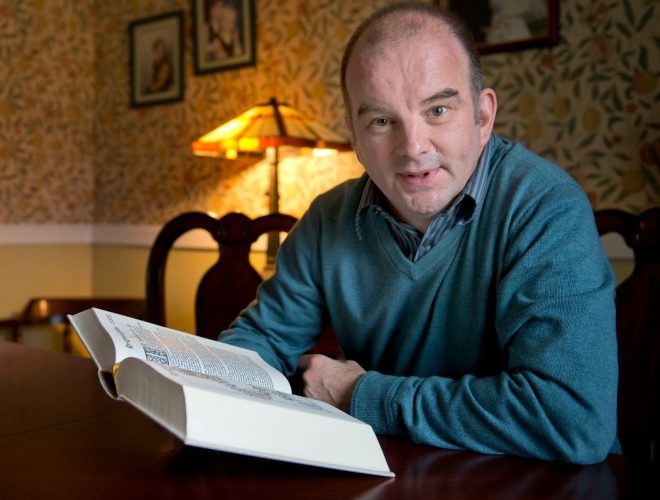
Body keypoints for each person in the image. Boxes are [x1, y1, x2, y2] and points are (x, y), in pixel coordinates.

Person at [219, 2, 618, 464]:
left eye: (438, 110)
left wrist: (357, 394)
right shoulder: (329, 218)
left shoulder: (546, 208)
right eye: (381, 121)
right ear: (355, 137)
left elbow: (570, 420)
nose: (413, 148)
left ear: (482, 117)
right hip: (388, 474)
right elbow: (259, 344)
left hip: (539, 484)